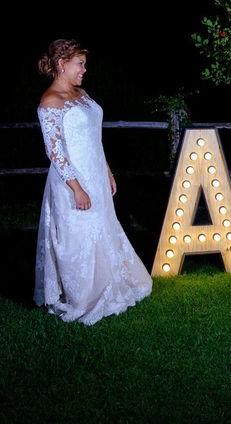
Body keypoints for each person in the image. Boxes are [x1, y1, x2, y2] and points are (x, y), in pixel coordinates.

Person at [35, 39, 152, 325]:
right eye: (80, 64)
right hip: (72, 181)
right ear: (62, 65)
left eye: (84, 64)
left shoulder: (81, 93)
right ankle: (84, 296)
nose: (84, 70)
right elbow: (55, 152)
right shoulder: (50, 102)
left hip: (96, 175)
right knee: (80, 236)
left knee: (103, 228)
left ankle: (111, 283)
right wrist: (76, 188)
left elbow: (93, 139)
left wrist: (108, 171)